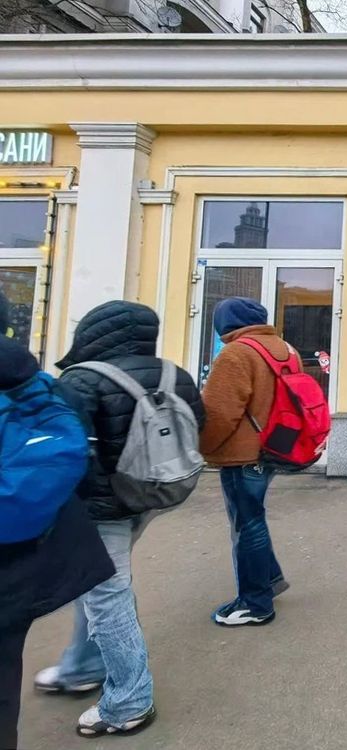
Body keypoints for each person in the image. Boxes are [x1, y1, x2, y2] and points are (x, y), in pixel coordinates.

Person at [33, 301, 204, 739]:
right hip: (151, 495)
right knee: (95, 582)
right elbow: (197, 425)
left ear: (93, 331)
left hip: (100, 507)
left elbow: (66, 452)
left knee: (108, 596)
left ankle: (130, 701)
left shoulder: (81, 379)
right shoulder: (175, 374)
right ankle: (82, 667)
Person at [1, 337, 115, 750]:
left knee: (110, 598)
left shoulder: (82, 377)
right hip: (32, 552)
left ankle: (105, 679)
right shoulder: (41, 383)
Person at [199, 298, 292, 627]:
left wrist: (203, 447)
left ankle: (255, 603)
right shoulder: (284, 349)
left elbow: (218, 414)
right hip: (274, 447)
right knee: (254, 519)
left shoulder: (236, 353)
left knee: (247, 525)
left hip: (242, 454)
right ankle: (270, 578)